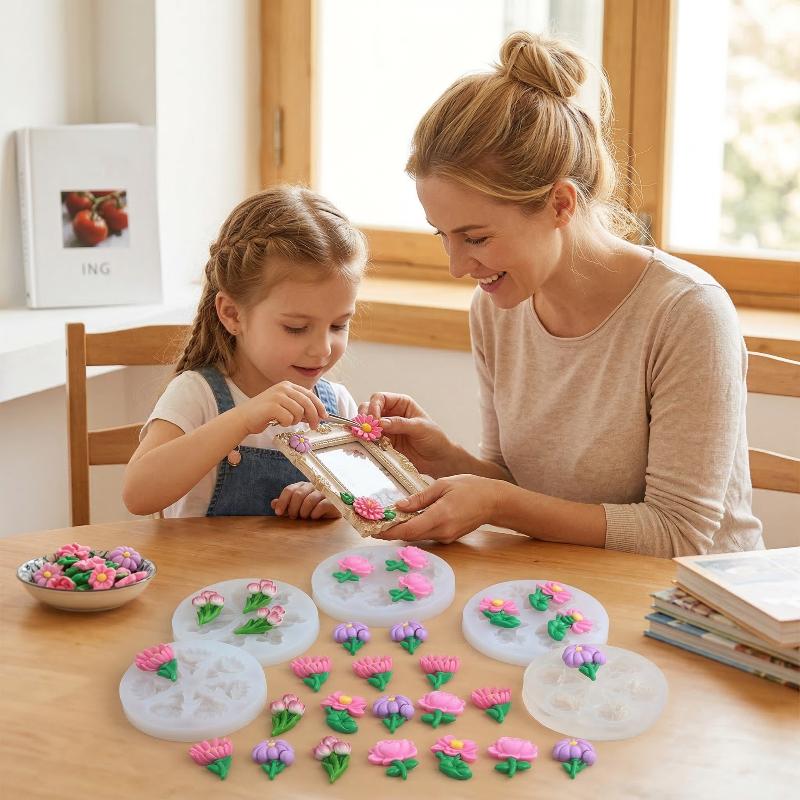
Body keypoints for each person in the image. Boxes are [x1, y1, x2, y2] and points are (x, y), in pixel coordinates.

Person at [362, 31, 763, 557]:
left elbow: (679, 533)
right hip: (574, 581)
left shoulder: (687, 313)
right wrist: (445, 458)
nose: (458, 267)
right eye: (444, 235)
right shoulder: (496, 307)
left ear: (560, 205)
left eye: (476, 238)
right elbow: (518, 484)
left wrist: (496, 504)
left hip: (695, 594)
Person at [123, 185, 367, 520]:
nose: (323, 349)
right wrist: (241, 419)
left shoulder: (336, 406)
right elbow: (137, 495)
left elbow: (365, 503)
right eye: (296, 328)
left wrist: (336, 502)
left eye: (339, 325)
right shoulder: (198, 396)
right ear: (233, 315)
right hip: (204, 558)